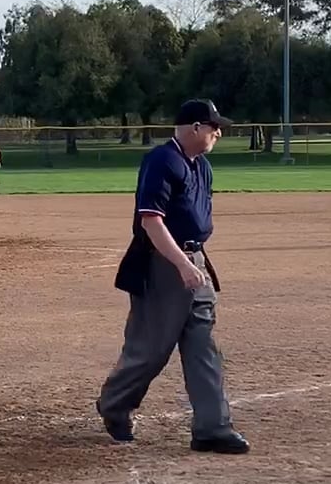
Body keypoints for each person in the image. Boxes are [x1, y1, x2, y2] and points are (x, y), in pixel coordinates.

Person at [96, 99, 247, 454]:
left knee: (202, 346)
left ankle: (212, 427)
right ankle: (114, 404)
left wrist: (194, 261)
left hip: (195, 260)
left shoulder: (202, 166)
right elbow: (151, 221)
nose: (218, 133)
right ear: (195, 127)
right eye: (214, 127)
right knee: (151, 349)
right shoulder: (162, 161)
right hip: (162, 262)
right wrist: (182, 264)